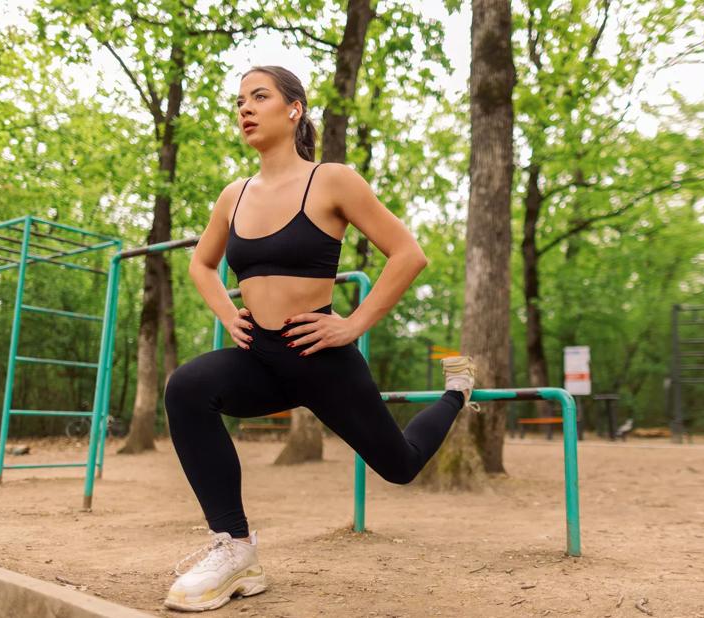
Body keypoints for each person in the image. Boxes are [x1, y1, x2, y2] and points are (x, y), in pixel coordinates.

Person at [161, 65, 480, 613]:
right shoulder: (233, 195)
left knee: (400, 466)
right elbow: (202, 266)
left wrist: (353, 324)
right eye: (239, 100)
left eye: (259, 97)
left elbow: (409, 255)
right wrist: (226, 311)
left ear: (294, 109)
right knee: (186, 388)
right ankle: (235, 549)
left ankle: (456, 392)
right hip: (259, 356)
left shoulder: (331, 180)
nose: (245, 108)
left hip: (321, 358)